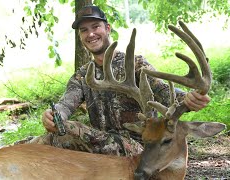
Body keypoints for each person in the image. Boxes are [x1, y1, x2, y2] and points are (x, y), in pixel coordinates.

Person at [20, 5, 211, 156]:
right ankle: (12, 152)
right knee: (53, 134)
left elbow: (163, 92)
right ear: (80, 37)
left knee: (68, 131)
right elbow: (65, 104)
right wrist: (54, 116)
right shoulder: (83, 75)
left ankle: (15, 154)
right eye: (84, 30)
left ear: (107, 28)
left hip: (139, 147)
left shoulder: (135, 64)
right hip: (99, 146)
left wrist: (189, 99)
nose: (91, 34)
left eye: (96, 27)